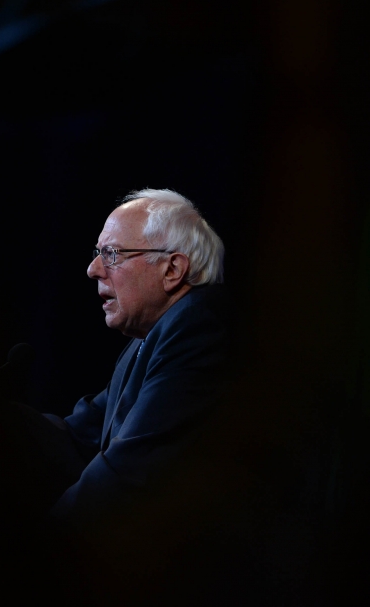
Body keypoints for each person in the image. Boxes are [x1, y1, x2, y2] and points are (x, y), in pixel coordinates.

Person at [19, 189, 230, 530]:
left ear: (172, 269)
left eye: (112, 254)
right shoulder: (149, 338)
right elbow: (78, 438)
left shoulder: (196, 325)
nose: (93, 269)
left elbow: (130, 467)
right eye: (98, 254)